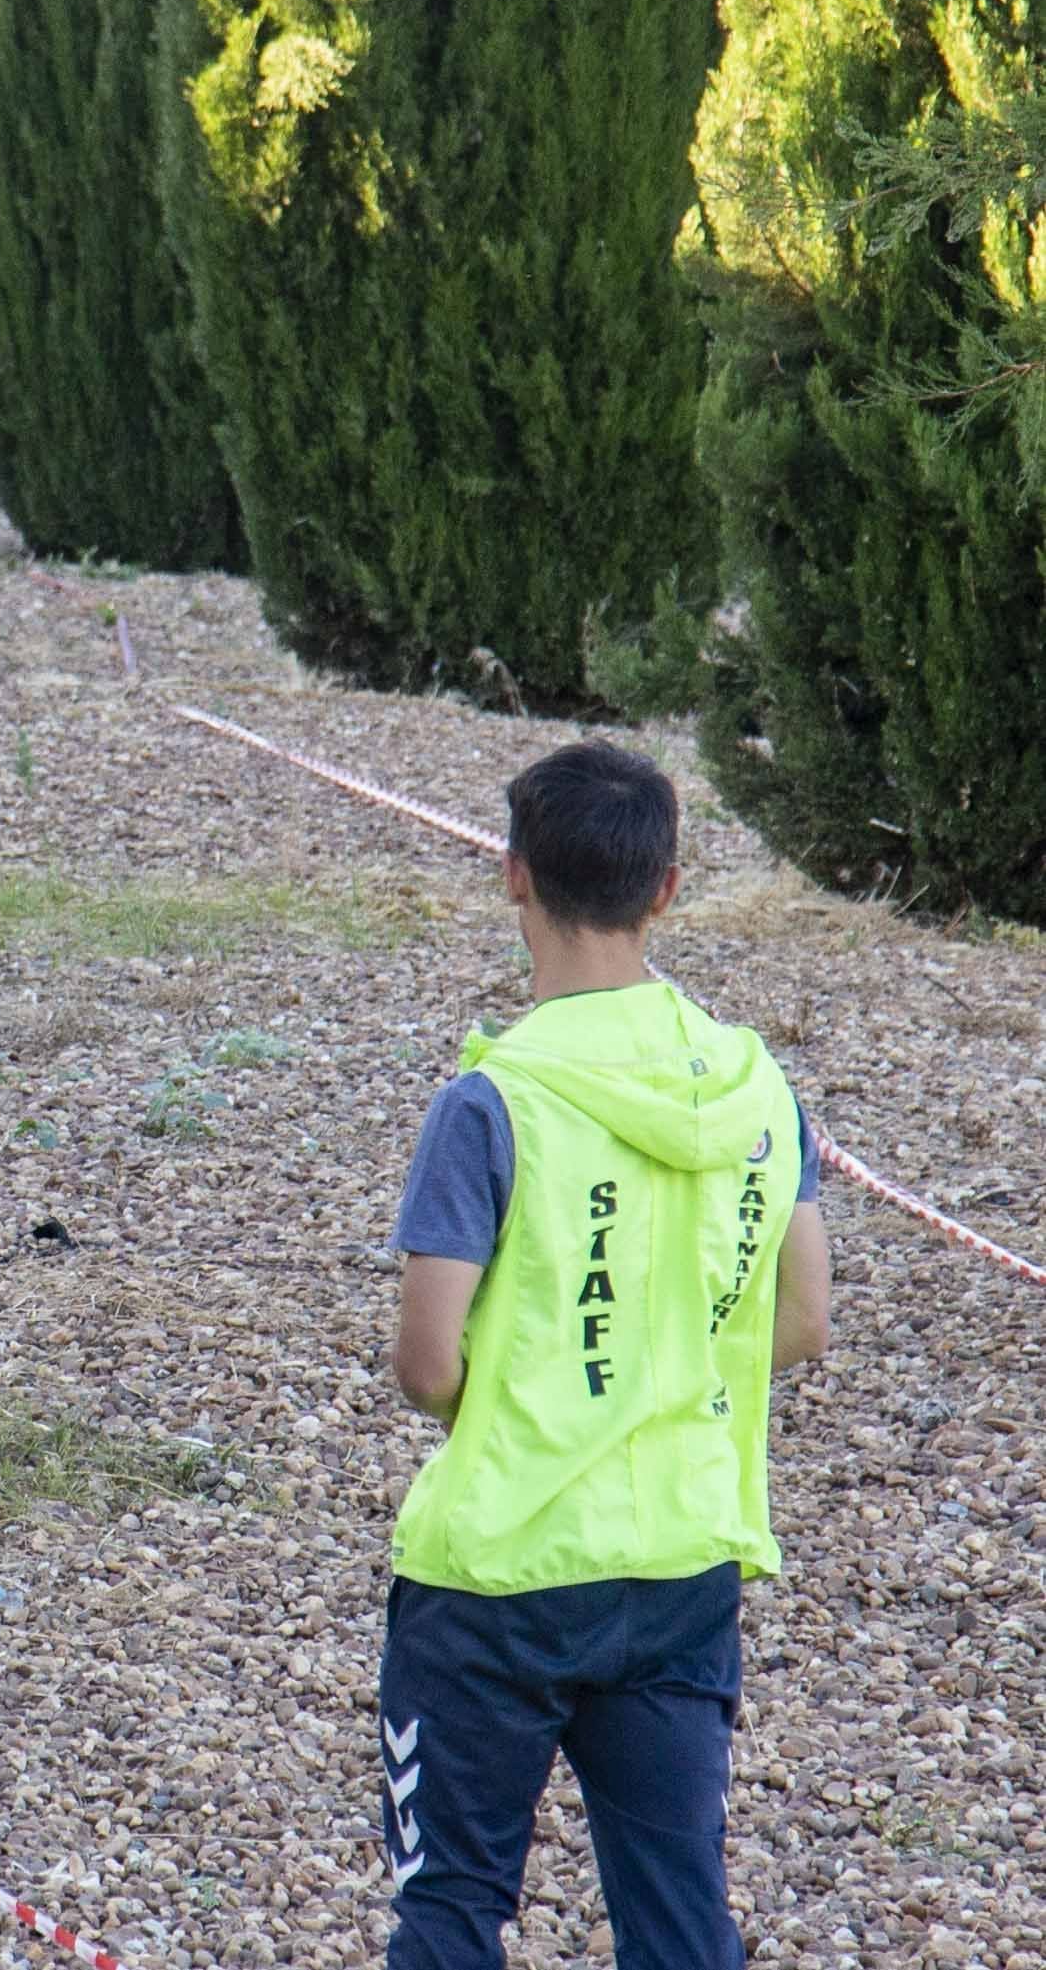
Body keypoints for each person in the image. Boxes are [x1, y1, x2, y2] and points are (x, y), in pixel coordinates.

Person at [377, 740, 831, 1968]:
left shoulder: (495, 1098)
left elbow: (426, 1360)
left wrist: (547, 1400)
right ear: (668, 889)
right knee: (679, 1913)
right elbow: (802, 1321)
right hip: (683, 1563)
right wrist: (657, 1380)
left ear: (513, 877)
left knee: (454, 1907)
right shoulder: (759, 1090)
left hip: (498, 1573)